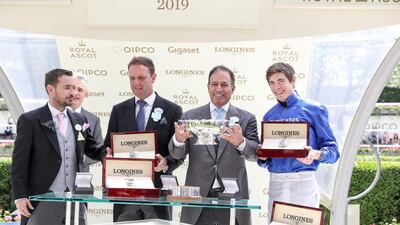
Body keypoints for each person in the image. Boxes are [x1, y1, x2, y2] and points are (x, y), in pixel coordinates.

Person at [11, 68, 108, 225]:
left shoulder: (79, 118)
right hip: (43, 197)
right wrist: (20, 196)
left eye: (75, 88)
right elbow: (19, 163)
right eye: (67, 87)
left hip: (76, 197)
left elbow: (92, 148)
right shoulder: (30, 120)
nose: (73, 92)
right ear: (50, 89)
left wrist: (107, 154)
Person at [169, 65, 260, 225]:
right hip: (198, 198)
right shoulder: (190, 117)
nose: (219, 89)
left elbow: (255, 154)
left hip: (232, 198)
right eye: (214, 84)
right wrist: (179, 140)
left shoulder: (246, 118)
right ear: (208, 87)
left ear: (233, 88)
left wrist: (240, 142)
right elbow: (177, 155)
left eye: (224, 84)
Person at [257, 62, 340, 222]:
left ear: (293, 80)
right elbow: (266, 161)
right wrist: (262, 157)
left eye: (281, 80)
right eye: (272, 83)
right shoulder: (269, 116)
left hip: (303, 184)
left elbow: (334, 153)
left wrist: (315, 154)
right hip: (276, 184)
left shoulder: (314, 109)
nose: (276, 87)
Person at [104, 56, 183, 222]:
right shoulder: (118, 110)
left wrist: (166, 162)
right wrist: (108, 156)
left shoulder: (173, 110)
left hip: (158, 192)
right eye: (132, 78)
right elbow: (107, 146)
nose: (136, 83)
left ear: (153, 78)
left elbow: (179, 152)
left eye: (141, 78)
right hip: (124, 194)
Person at [71, 73, 104, 170]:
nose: (75, 93)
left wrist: (83, 158)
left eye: (80, 89)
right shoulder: (57, 115)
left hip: (82, 176)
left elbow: (99, 148)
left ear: (86, 94)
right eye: (73, 88)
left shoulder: (93, 119)